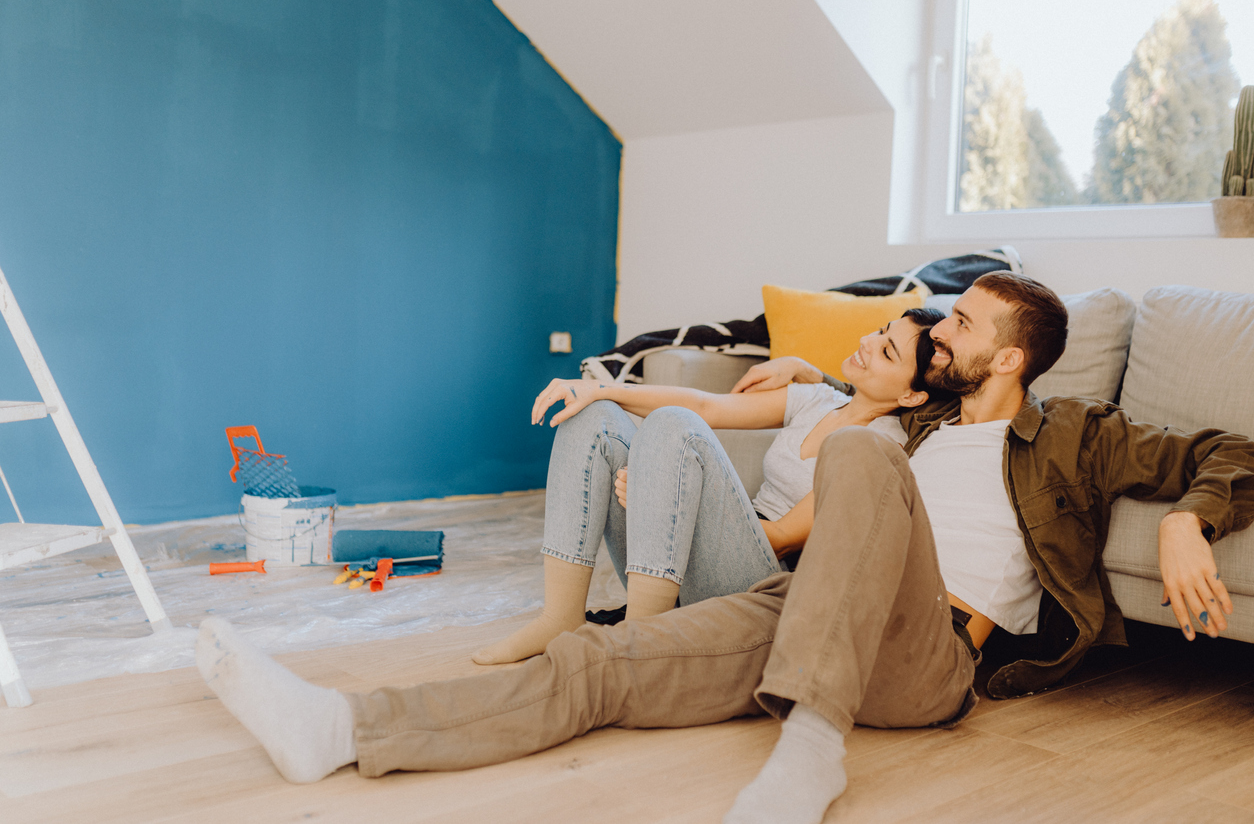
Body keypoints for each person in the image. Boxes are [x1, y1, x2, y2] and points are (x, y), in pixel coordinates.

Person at [195, 273, 1254, 824]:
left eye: (964, 323)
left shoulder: (1069, 432)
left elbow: (1231, 446)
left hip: (930, 652)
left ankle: (813, 741)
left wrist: (1180, 516)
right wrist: (793, 367)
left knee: (857, 463)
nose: (941, 331)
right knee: (600, 661)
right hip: (801, 611)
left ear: (1011, 355)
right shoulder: (912, 415)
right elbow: (847, 392)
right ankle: (341, 727)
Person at [471, 308, 945, 665]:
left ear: (912, 395)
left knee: (677, 425)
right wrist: (602, 389)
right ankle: (559, 618)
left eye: (887, 351)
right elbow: (711, 406)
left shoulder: (880, 454)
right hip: (695, 554)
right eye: (882, 331)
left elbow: (780, 537)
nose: (869, 341)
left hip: (759, 578)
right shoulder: (819, 400)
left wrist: (669, 499)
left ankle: (643, 640)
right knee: (593, 415)